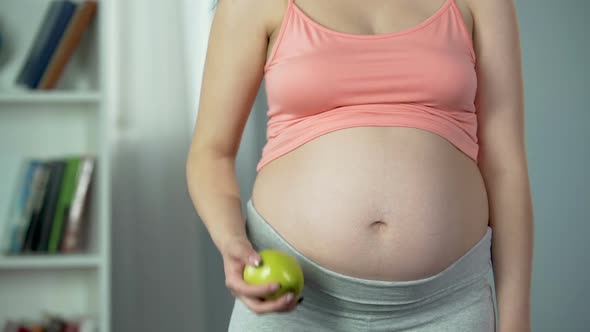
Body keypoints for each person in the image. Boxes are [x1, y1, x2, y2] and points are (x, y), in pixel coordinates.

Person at [186, 0, 533, 331]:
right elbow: (211, 154)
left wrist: (516, 319)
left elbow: (505, 167)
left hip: (446, 307)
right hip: (294, 306)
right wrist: (231, 240)